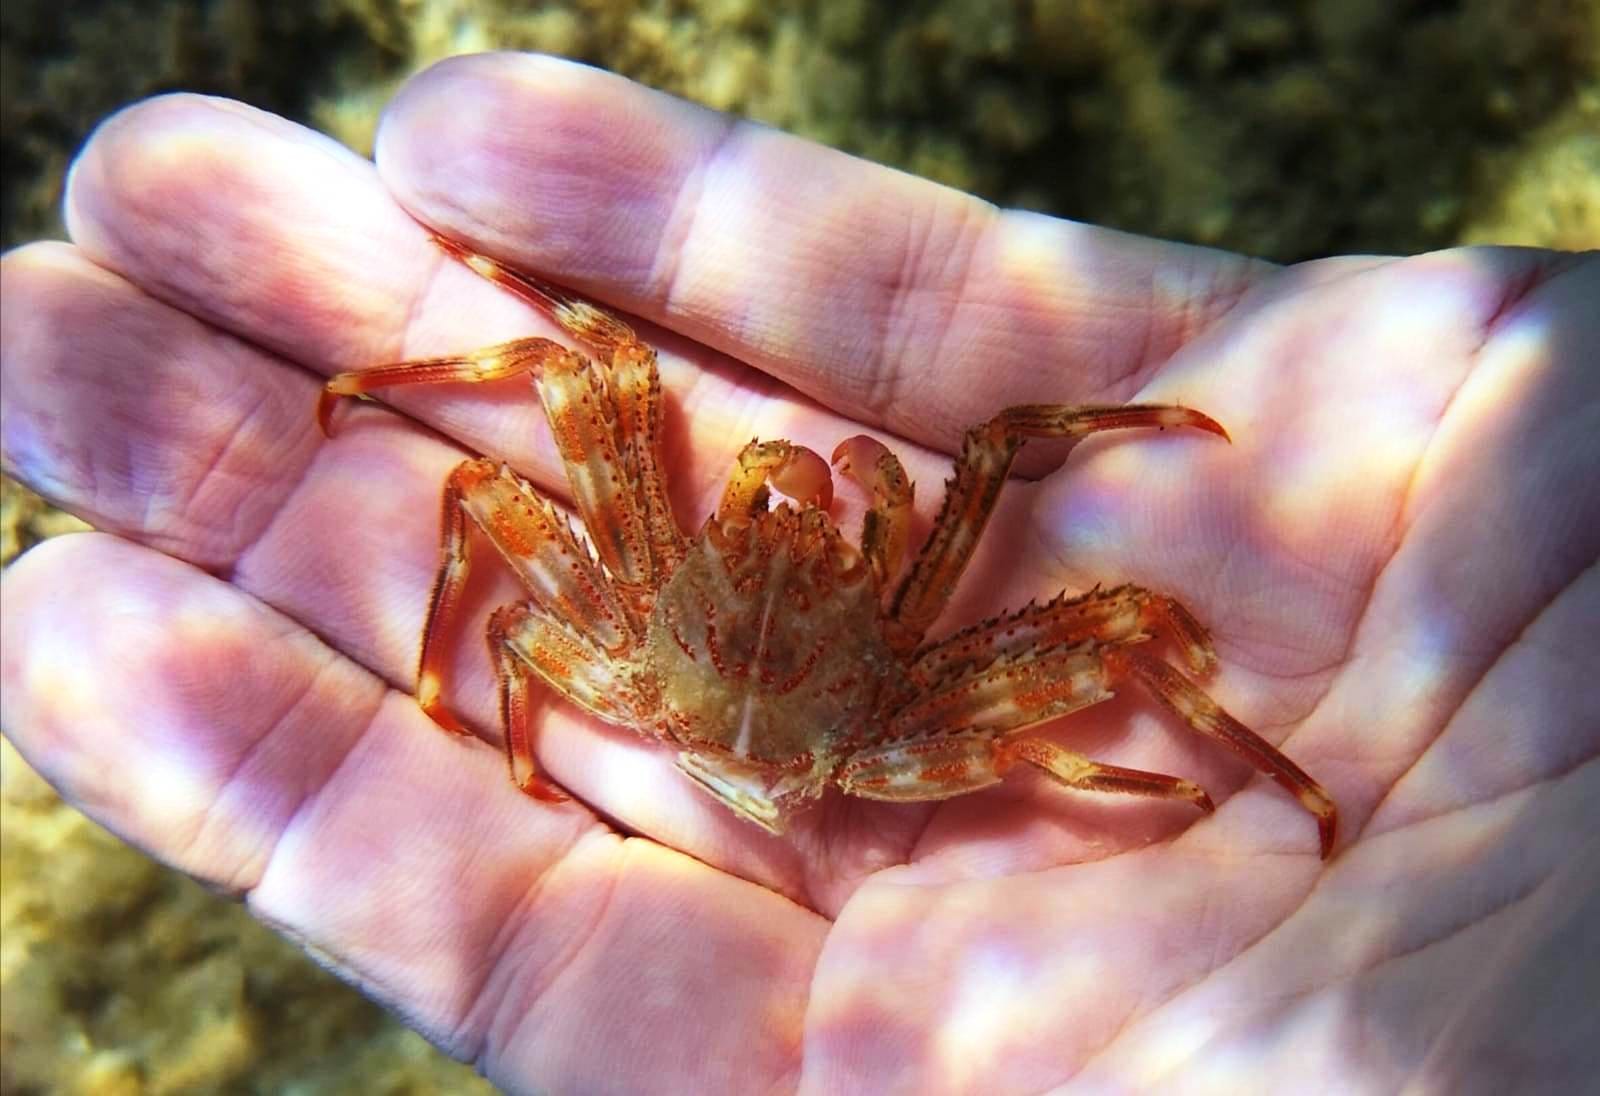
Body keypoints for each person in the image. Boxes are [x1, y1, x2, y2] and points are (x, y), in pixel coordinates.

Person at [1, 52, 1594, 1094]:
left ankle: (433, 677)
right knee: (1107, 615)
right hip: (876, 741)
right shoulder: (901, 648)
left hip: (644, 691)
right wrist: (1120, 765)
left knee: (539, 440)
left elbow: (511, 494)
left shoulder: (603, 632)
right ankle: (1287, 792)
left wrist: (476, 695)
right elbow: (1057, 549)